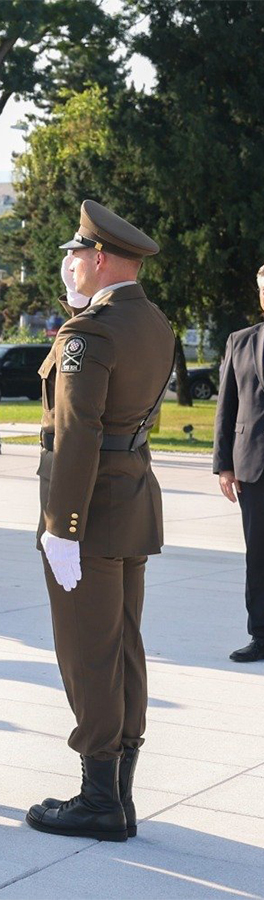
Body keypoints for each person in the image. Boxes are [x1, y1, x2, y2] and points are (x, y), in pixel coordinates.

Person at [26, 200, 173, 843]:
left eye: (73, 254)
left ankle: (98, 801)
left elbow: (78, 431)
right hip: (131, 499)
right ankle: (121, 792)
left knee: (88, 653)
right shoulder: (153, 322)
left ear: (101, 258)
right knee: (124, 649)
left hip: (90, 512)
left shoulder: (90, 333)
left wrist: (64, 525)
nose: (68, 264)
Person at [213, 264, 264, 664]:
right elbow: (226, 406)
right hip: (252, 466)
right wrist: (223, 464)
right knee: (258, 555)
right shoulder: (241, 341)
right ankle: (260, 635)